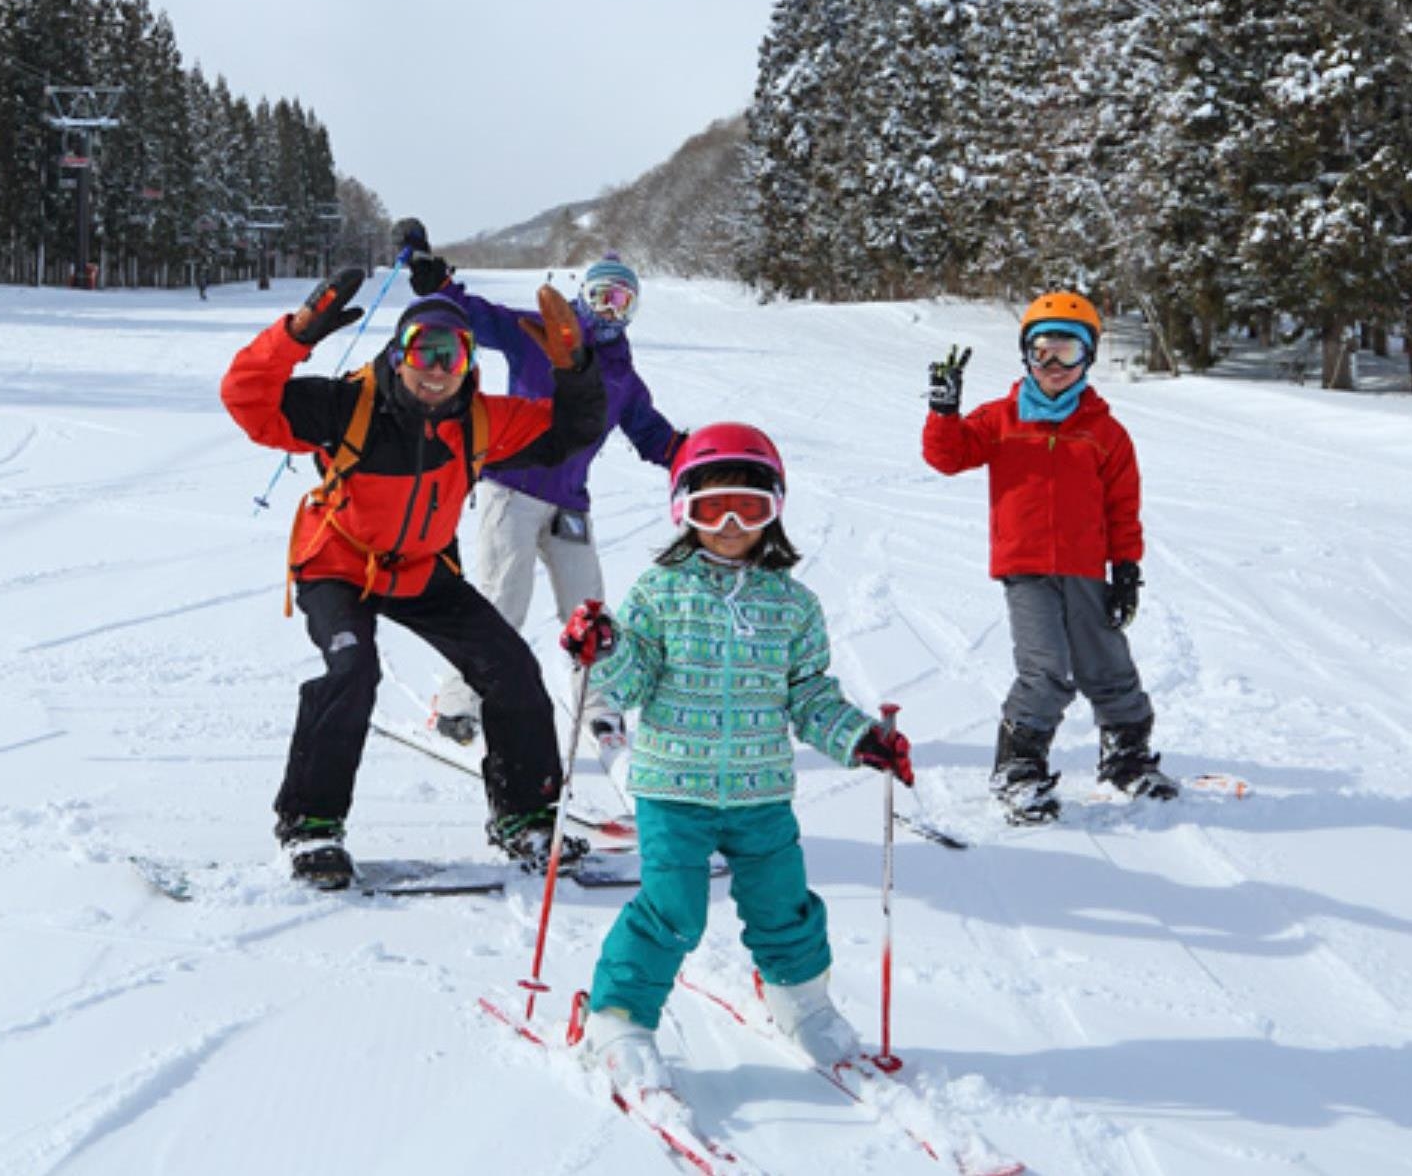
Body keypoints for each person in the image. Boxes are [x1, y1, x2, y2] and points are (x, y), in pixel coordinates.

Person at [220, 245, 610, 890]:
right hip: (337, 563)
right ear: (399, 354)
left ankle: (527, 817)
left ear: (469, 364)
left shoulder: (484, 420)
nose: (435, 370)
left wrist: (574, 369)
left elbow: (572, 431)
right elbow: (247, 401)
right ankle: (311, 827)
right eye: (422, 352)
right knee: (352, 670)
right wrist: (296, 335)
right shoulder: (346, 406)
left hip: (420, 569)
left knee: (511, 667)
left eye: (450, 356)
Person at [556, 422, 915, 1096]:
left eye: (749, 508)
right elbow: (630, 679)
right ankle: (618, 1016)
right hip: (672, 789)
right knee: (673, 908)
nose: (728, 523)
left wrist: (860, 737)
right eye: (710, 506)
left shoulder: (793, 605)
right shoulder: (660, 593)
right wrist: (604, 648)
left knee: (785, 905)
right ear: (682, 510)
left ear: (774, 512)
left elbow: (809, 695)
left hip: (761, 796)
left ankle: (800, 1001)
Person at [409, 251, 682, 751]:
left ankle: (599, 708)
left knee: (589, 611)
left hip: (569, 502)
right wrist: (440, 287)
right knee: (502, 600)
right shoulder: (538, 332)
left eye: (621, 301)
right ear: (583, 294)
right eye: (601, 296)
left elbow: (647, 429)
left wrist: (686, 456)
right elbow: (482, 318)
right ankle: (459, 700)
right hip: (511, 487)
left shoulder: (620, 370)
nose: (608, 310)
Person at [920, 291, 1175, 825]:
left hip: (1086, 566)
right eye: (1042, 353)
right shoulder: (1001, 418)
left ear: (1088, 358)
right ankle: (1019, 769)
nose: (1053, 366)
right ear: (1025, 356)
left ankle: (1126, 756)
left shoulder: (1105, 432)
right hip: (1026, 569)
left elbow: (1123, 507)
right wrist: (944, 412)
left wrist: (1125, 567)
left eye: (1067, 353)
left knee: (1107, 662)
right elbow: (948, 457)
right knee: (1046, 668)